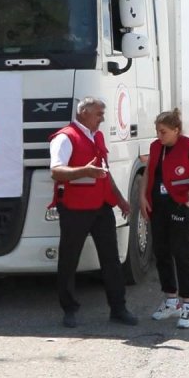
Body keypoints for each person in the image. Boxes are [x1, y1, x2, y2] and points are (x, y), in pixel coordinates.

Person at [48, 97, 138, 328]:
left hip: (101, 206)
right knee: (69, 259)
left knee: (111, 258)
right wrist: (84, 171)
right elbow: (57, 171)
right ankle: (69, 310)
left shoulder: (97, 136)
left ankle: (118, 308)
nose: (103, 118)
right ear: (84, 112)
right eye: (99, 114)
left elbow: (104, 172)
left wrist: (120, 200)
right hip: (74, 208)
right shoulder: (64, 137)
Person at [142, 109, 189, 329]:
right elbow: (149, 174)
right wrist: (143, 197)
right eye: (157, 131)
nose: (159, 136)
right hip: (157, 205)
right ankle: (171, 300)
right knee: (161, 252)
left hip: (179, 204)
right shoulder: (155, 147)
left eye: (163, 132)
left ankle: (187, 304)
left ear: (176, 130)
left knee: (181, 253)